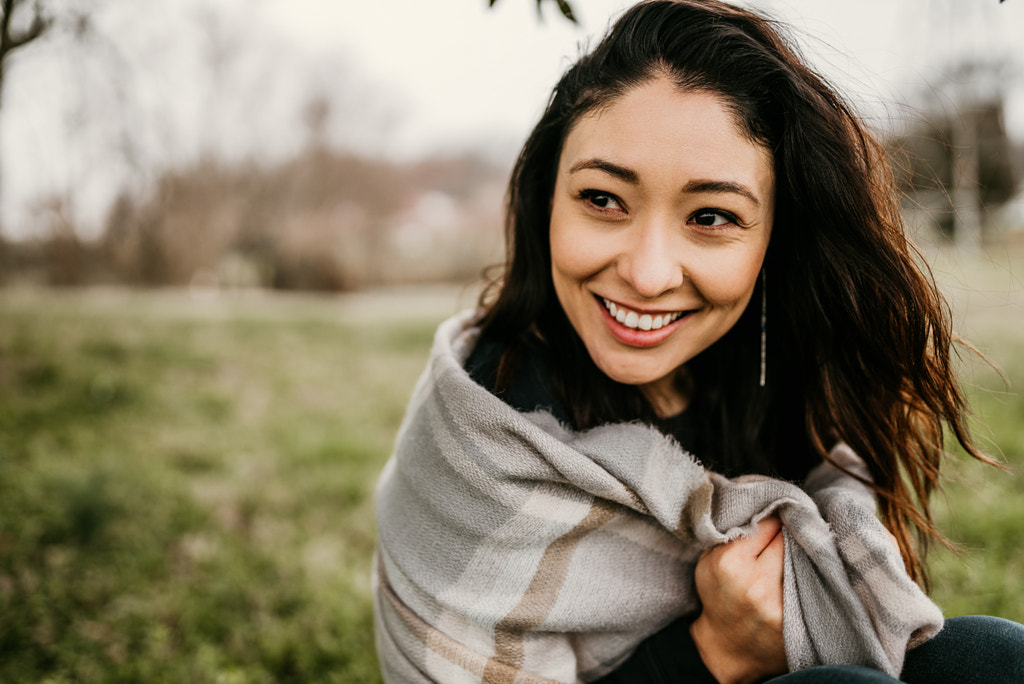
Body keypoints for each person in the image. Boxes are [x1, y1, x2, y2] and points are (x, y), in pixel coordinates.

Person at [373, 1, 1024, 682]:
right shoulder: (487, 432)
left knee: (999, 657)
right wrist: (714, 651)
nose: (648, 273)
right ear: (546, 201)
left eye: (711, 216)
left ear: (774, 238)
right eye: (602, 199)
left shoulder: (780, 378)